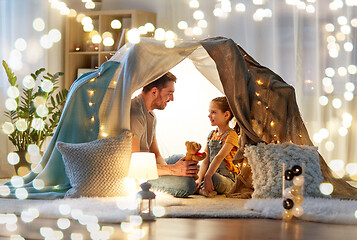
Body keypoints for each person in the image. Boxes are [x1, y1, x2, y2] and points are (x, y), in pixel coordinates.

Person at [130, 72, 199, 197]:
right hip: (139, 174)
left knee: (183, 160)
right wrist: (173, 170)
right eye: (169, 93)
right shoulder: (135, 114)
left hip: (150, 166)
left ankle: (203, 179)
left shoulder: (151, 115)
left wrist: (177, 170)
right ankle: (200, 183)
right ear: (154, 92)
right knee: (187, 184)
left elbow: (156, 155)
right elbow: (133, 165)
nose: (172, 99)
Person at [196, 96, 240, 197]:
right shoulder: (212, 135)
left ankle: (204, 188)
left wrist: (207, 176)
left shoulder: (232, 135)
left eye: (213, 112)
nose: (209, 115)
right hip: (210, 173)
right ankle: (203, 187)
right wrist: (198, 179)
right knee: (194, 174)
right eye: (209, 112)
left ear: (226, 115)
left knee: (213, 178)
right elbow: (206, 161)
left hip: (226, 178)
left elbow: (219, 157)